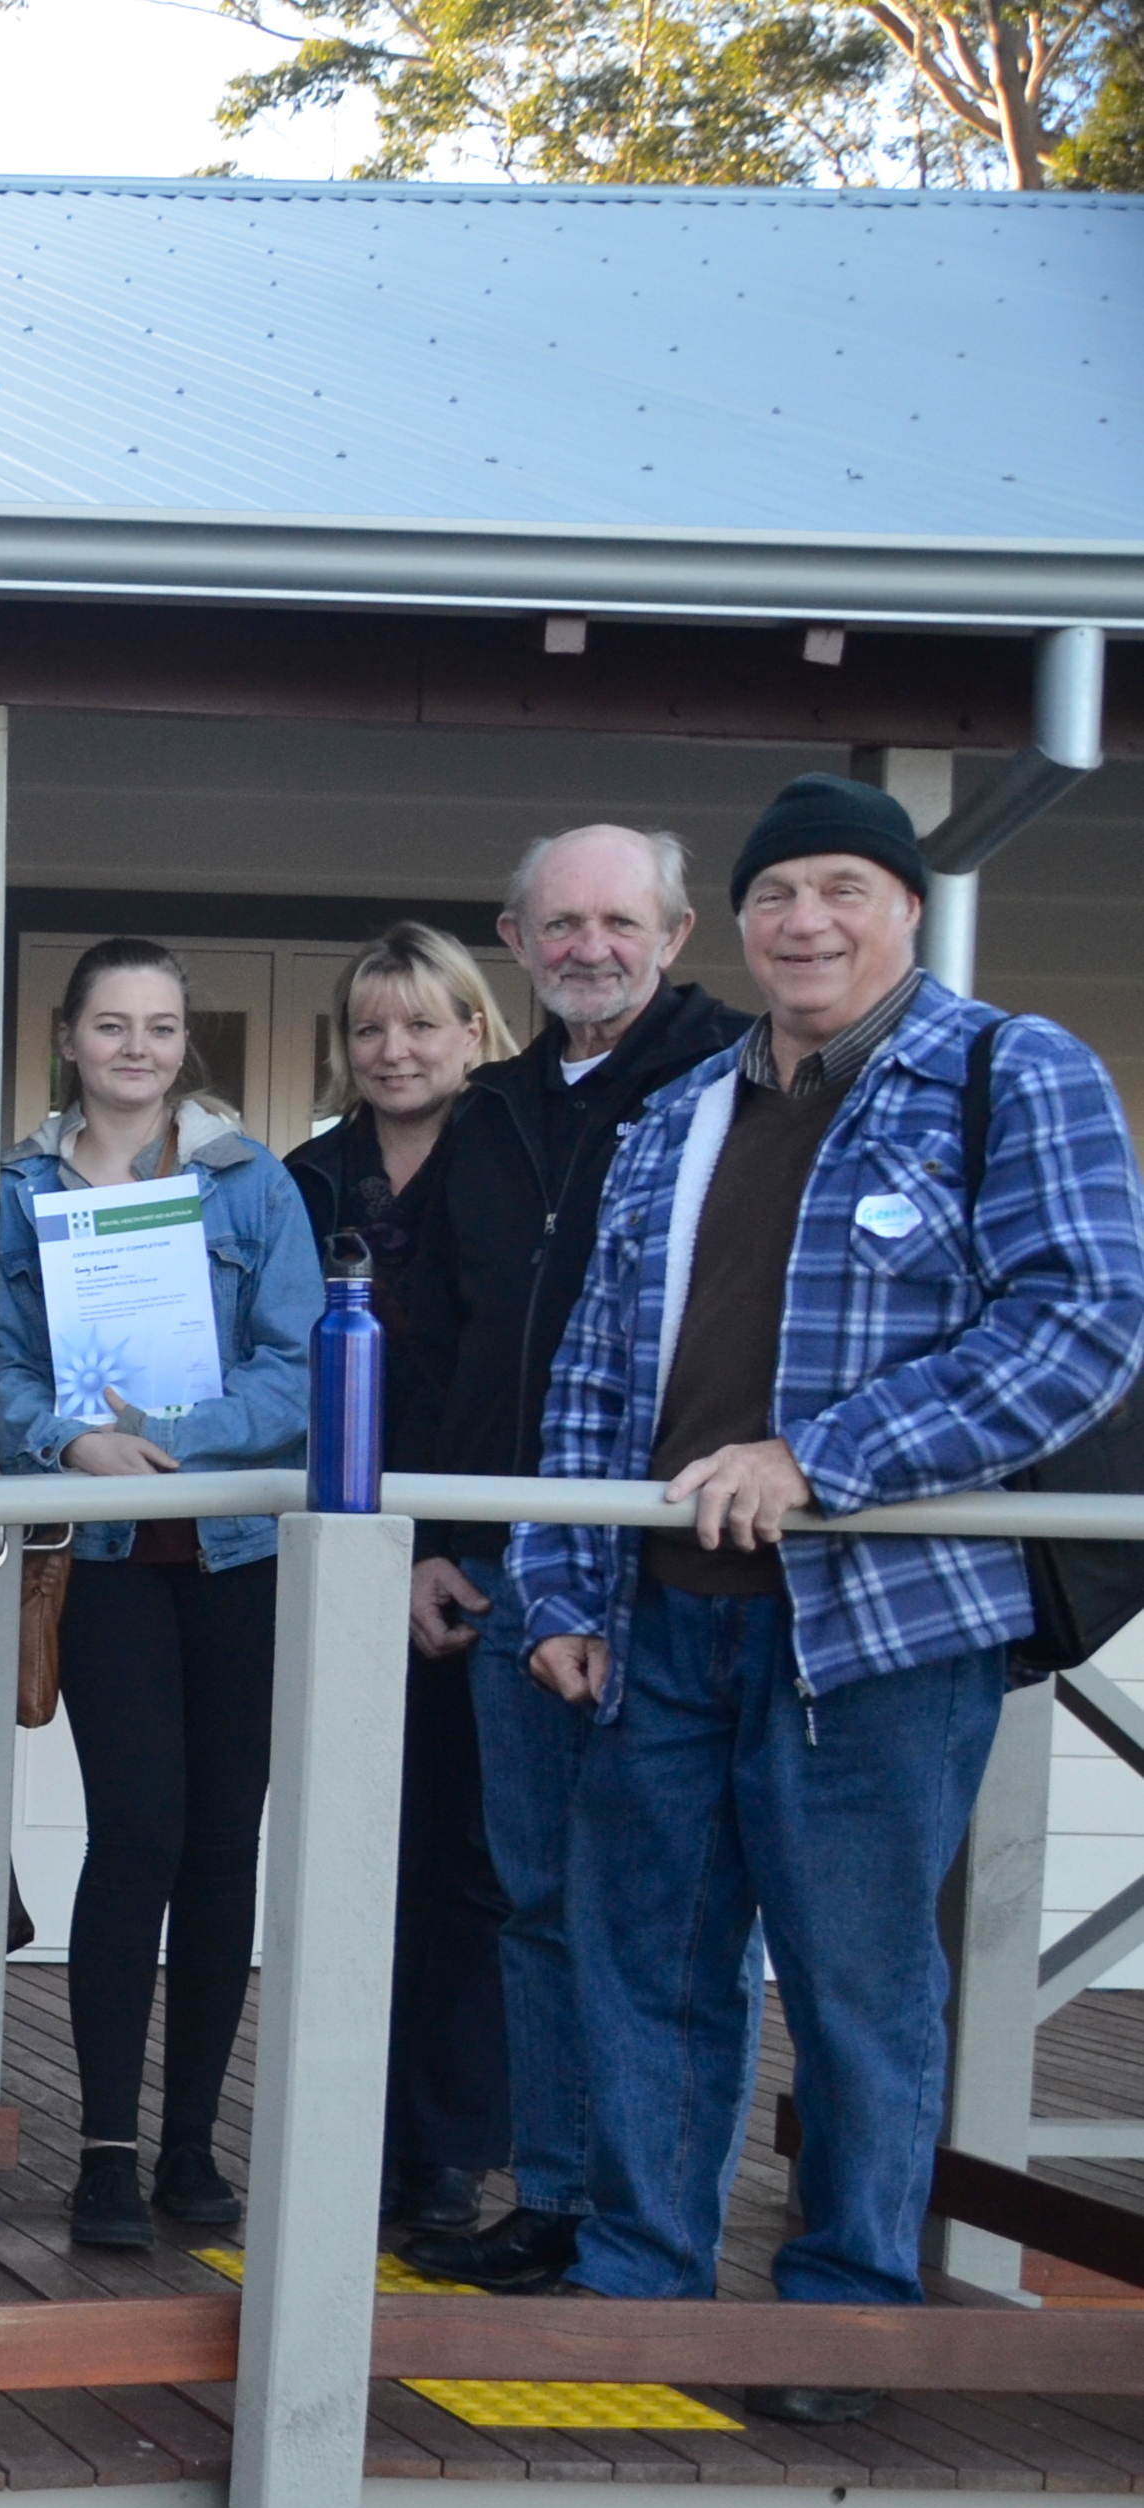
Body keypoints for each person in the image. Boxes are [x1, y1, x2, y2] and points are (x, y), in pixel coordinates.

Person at [516, 774, 1144, 2415]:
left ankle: (838, 2321)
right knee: (639, 1964)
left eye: (841, 890)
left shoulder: (1011, 1075)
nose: (805, 921)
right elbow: (592, 1369)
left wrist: (825, 1456)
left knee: (857, 1982)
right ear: (738, 920)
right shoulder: (674, 1115)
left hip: (878, 1628)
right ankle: (636, 2287)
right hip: (655, 1619)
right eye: (777, 892)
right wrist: (557, 1590)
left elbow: (1080, 1323)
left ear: (905, 910)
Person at [400, 828, 760, 2297]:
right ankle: (553, 2195)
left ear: (673, 934)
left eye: (618, 921)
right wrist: (429, 1538)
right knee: (535, 1898)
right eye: (558, 925)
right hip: (497, 1566)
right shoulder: (480, 1116)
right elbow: (427, 1344)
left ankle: (654, 2221)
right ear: (513, 937)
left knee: (673, 1919)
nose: (588, 947)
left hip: (674, 1569)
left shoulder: (738, 1086)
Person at [0, 941, 318, 2253]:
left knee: (214, 1841)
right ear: (67, 1037)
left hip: (236, 1549)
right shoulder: (16, 1194)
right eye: (110, 1023)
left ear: (187, 1045)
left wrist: (178, 1431)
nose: (135, 1045)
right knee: (133, 1830)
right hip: (112, 1553)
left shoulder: (254, 1188)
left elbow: (296, 1370)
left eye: (161, 1026)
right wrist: (67, 1443)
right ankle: (106, 2151)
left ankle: (191, 2146)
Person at [283, 929, 514, 2240]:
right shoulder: (308, 1179)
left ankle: (447, 2151)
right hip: (341, 1556)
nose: (394, 1050)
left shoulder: (527, 1163)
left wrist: (455, 1545)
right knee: (359, 1855)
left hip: (483, 1550)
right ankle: (348, 2136)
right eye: (369, 1028)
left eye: (422, 1025)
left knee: (468, 1864)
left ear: (473, 1033)